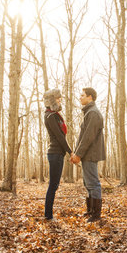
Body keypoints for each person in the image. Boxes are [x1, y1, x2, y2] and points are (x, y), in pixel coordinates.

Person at [70, 87, 106, 222]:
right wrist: (76, 153)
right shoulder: (89, 112)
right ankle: (90, 211)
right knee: (87, 183)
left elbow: (88, 137)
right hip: (86, 153)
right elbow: (83, 136)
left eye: (82, 95)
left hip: (91, 153)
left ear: (90, 97)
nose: (80, 97)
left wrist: (78, 154)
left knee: (93, 183)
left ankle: (96, 215)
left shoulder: (93, 113)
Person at [43, 88, 72, 220]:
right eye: (58, 98)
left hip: (58, 154)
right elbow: (60, 137)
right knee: (53, 185)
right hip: (55, 153)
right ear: (52, 100)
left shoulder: (54, 115)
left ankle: (48, 214)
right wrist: (71, 152)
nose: (60, 100)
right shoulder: (50, 116)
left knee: (54, 185)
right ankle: (48, 215)